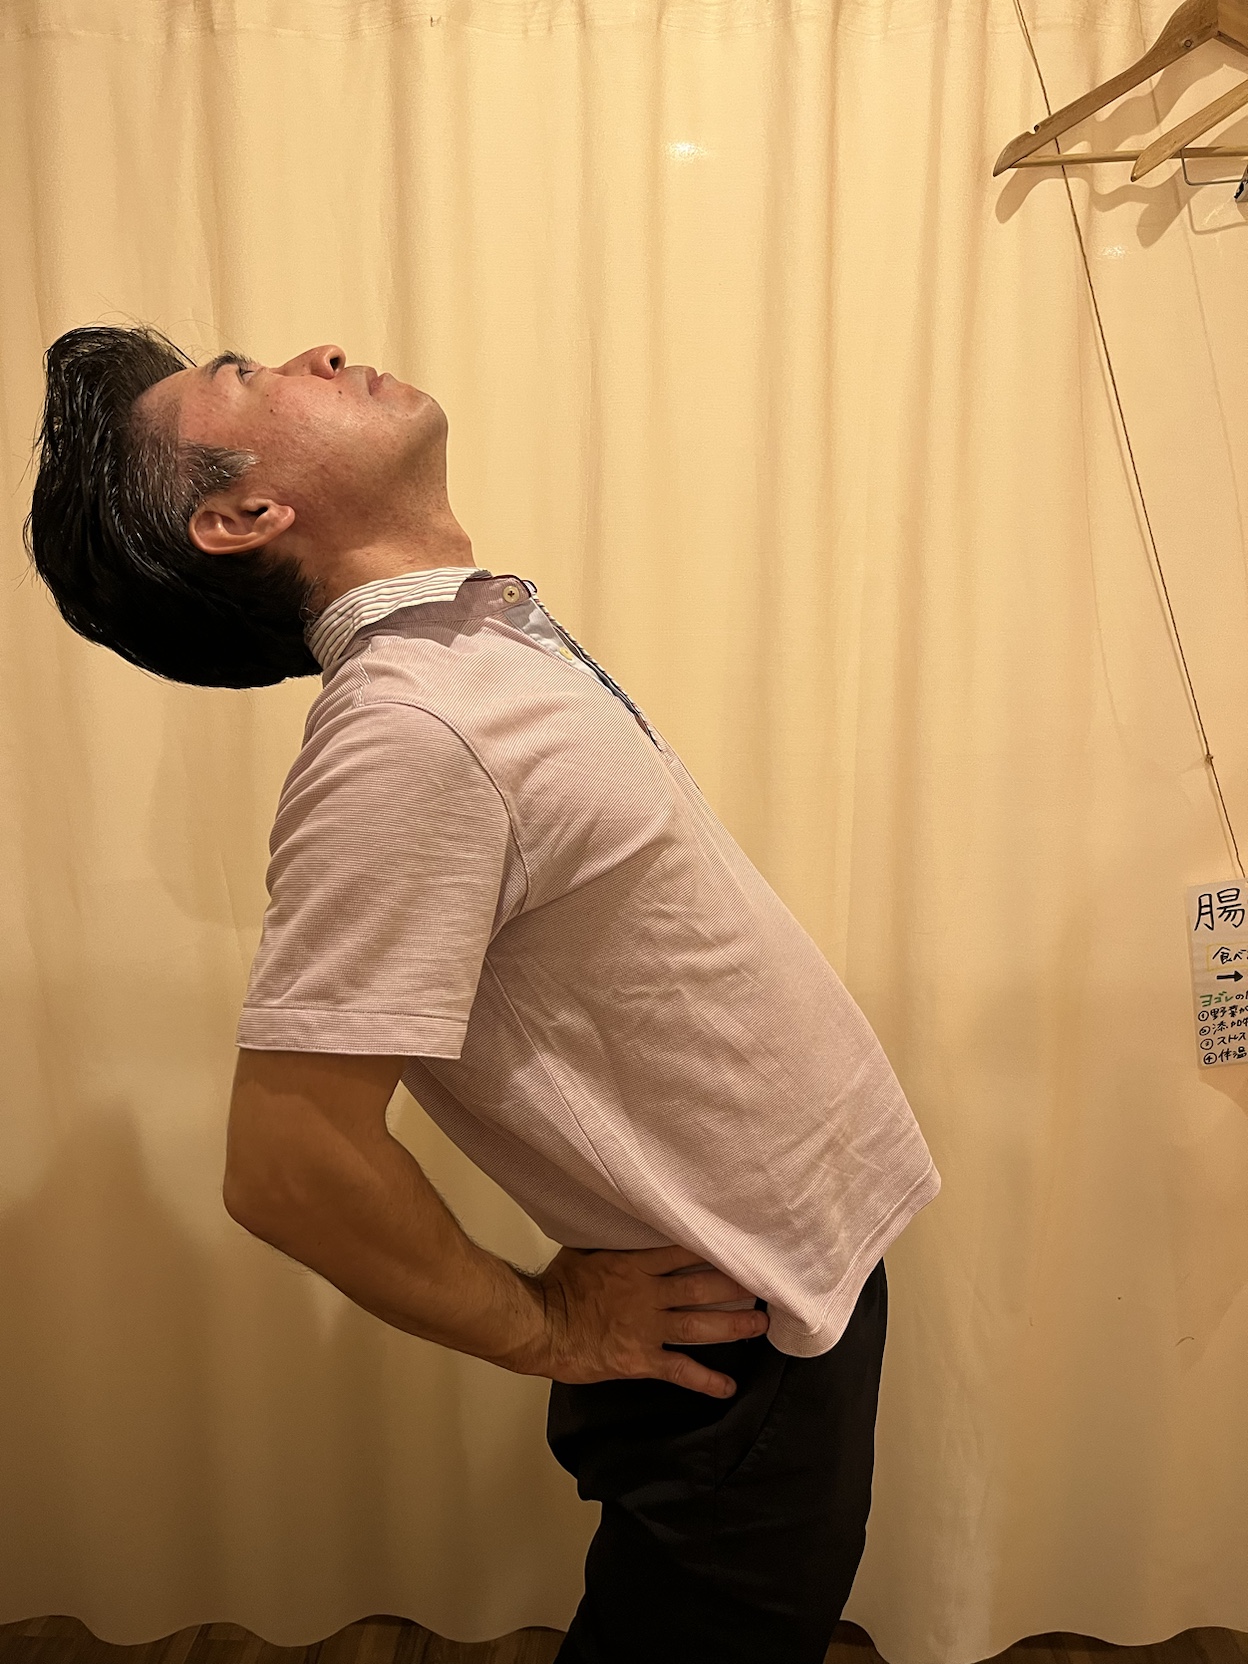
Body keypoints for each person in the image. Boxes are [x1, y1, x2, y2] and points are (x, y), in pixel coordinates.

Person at [26, 324, 941, 1664]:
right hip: (731, 1331)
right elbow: (289, 1167)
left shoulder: (473, 653)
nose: (318, 351)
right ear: (244, 516)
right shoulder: (411, 735)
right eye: (246, 377)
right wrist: (548, 1324)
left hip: (789, 1271)